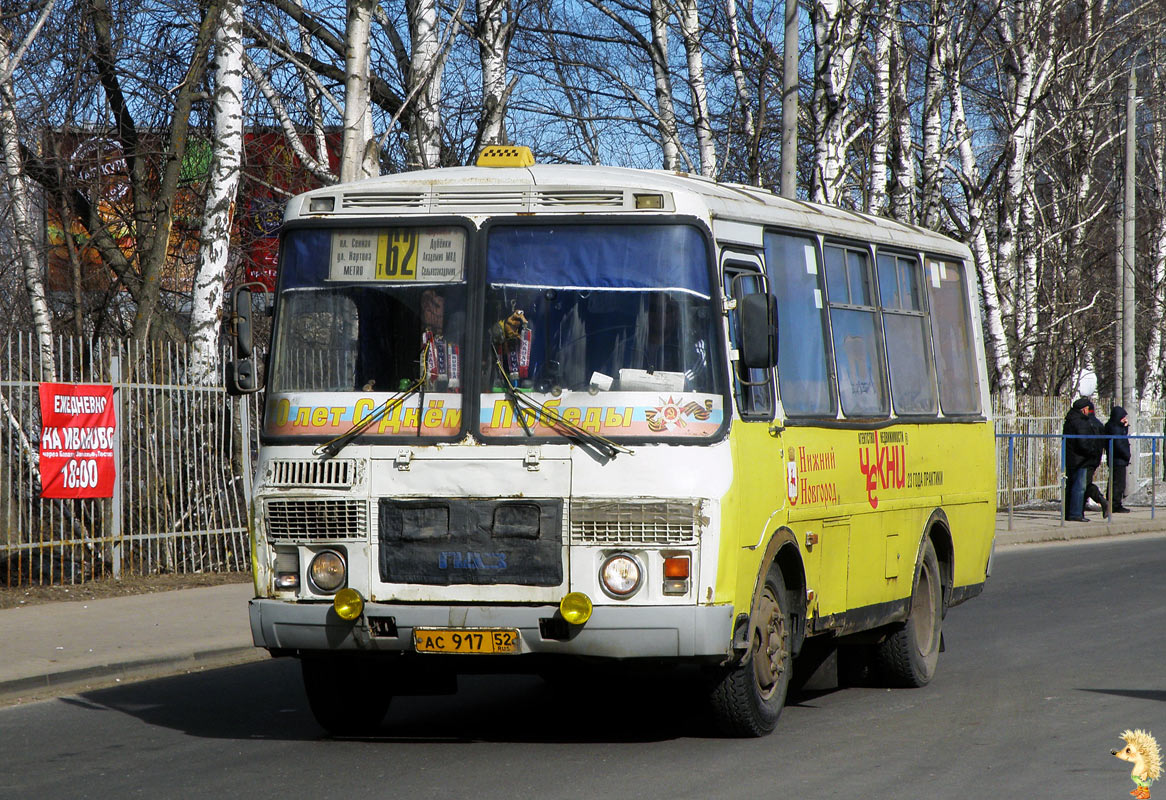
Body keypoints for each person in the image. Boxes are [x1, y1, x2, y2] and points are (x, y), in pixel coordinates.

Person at [1063, 396, 1103, 521]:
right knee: (1079, 487)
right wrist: (1091, 452)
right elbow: (1083, 442)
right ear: (1083, 409)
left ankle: (1069, 513)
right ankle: (1075, 513)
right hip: (1081, 459)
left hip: (1071, 458)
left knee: (1071, 486)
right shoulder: (1081, 422)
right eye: (1086, 409)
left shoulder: (1070, 420)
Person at [1103, 405, 1132, 513]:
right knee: (1118, 483)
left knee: (1116, 482)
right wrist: (1126, 455)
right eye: (1123, 417)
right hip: (1118, 458)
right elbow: (1119, 443)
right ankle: (1115, 504)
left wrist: (1124, 427)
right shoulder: (1114, 428)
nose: (1125, 419)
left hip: (1116, 458)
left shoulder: (1115, 427)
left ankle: (1113, 503)